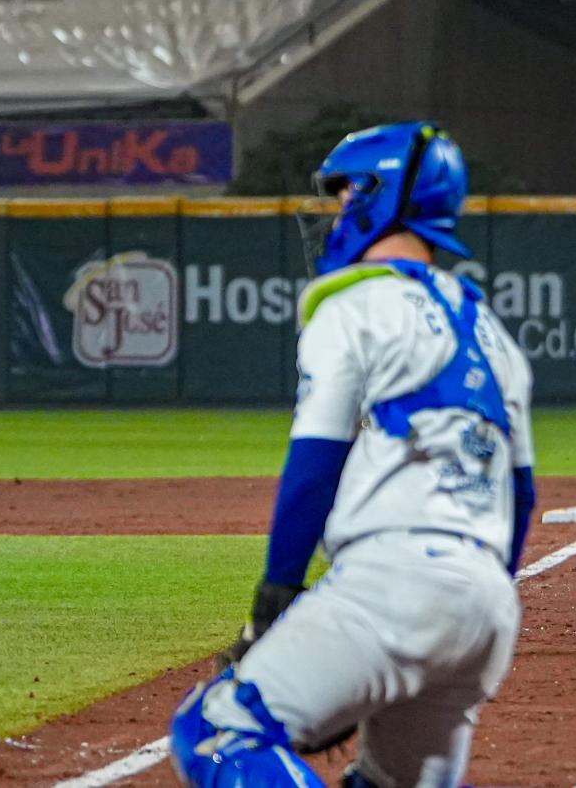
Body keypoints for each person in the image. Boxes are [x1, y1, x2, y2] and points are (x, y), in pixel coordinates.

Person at [169, 122, 536, 788]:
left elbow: (314, 464)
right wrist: (481, 602)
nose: (337, 209)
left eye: (346, 193)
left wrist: (273, 606)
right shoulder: (490, 327)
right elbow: (525, 493)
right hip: (487, 605)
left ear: (382, 194)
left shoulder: (351, 305)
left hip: (394, 581)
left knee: (216, 732)